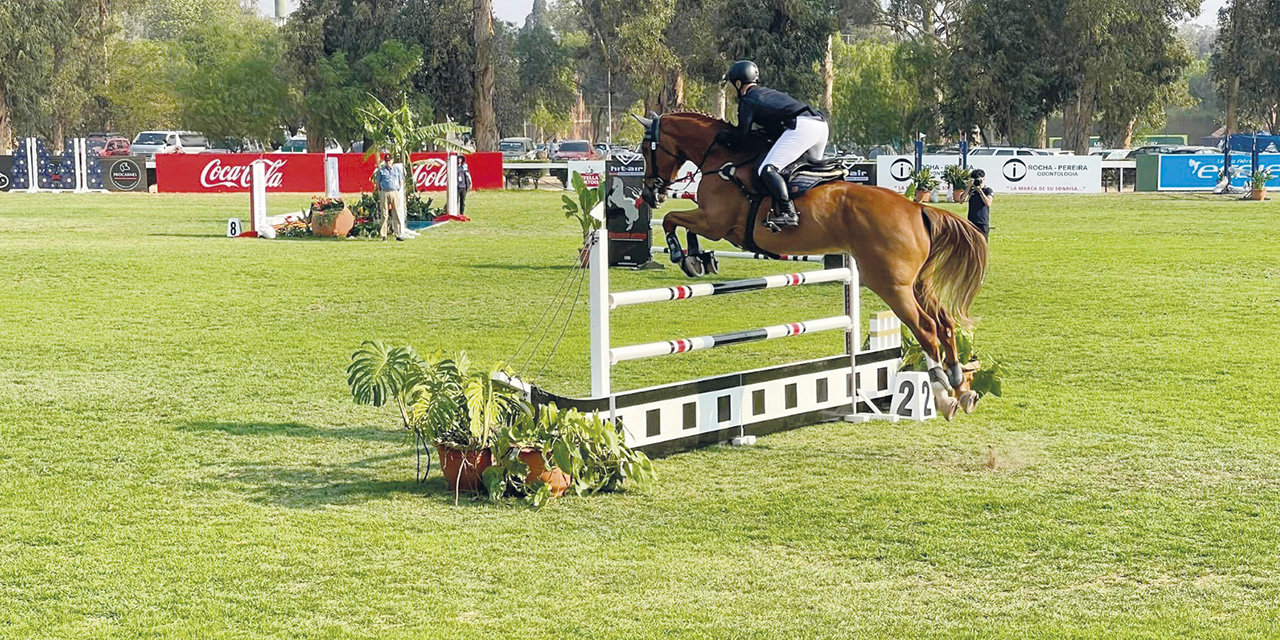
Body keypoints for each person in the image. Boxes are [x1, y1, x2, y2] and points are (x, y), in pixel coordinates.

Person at [722, 59, 829, 230]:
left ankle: (788, 212)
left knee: (768, 168)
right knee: (803, 174)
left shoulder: (748, 100)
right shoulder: (766, 93)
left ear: (739, 83)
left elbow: (743, 134)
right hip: (820, 126)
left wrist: (725, 138)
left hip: (803, 126)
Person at [372, 152, 407, 241]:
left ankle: (398, 234)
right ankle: (384, 235)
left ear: (392, 160)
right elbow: (378, 182)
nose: (388, 162)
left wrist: (398, 188)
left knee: (396, 213)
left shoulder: (397, 169)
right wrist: (380, 191)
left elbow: (400, 180)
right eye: (386, 161)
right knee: (384, 214)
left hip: (394, 192)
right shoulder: (381, 170)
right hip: (384, 192)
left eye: (389, 160)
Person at [967, 168, 993, 237]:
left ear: (984, 179)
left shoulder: (987, 190)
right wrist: (968, 188)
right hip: (971, 221)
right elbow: (961, 200)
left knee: (983, 244)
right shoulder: (972, 191)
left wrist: (980, 191)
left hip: (982, 222)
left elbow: (988, 203)